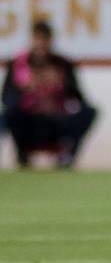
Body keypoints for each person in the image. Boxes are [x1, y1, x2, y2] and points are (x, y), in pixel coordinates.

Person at [2, 21, 96, 168]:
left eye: (44, 40)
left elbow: (79, 98)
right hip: (29, 121)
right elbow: (6, 98)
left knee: (89, 112)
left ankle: (67, 157)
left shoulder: (63, 65)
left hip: (55, 120)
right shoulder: (17, 63)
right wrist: (25, 88)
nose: (41, 44)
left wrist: (62, 84)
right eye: (37, 39)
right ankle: (21, 154)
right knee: (9, 114)